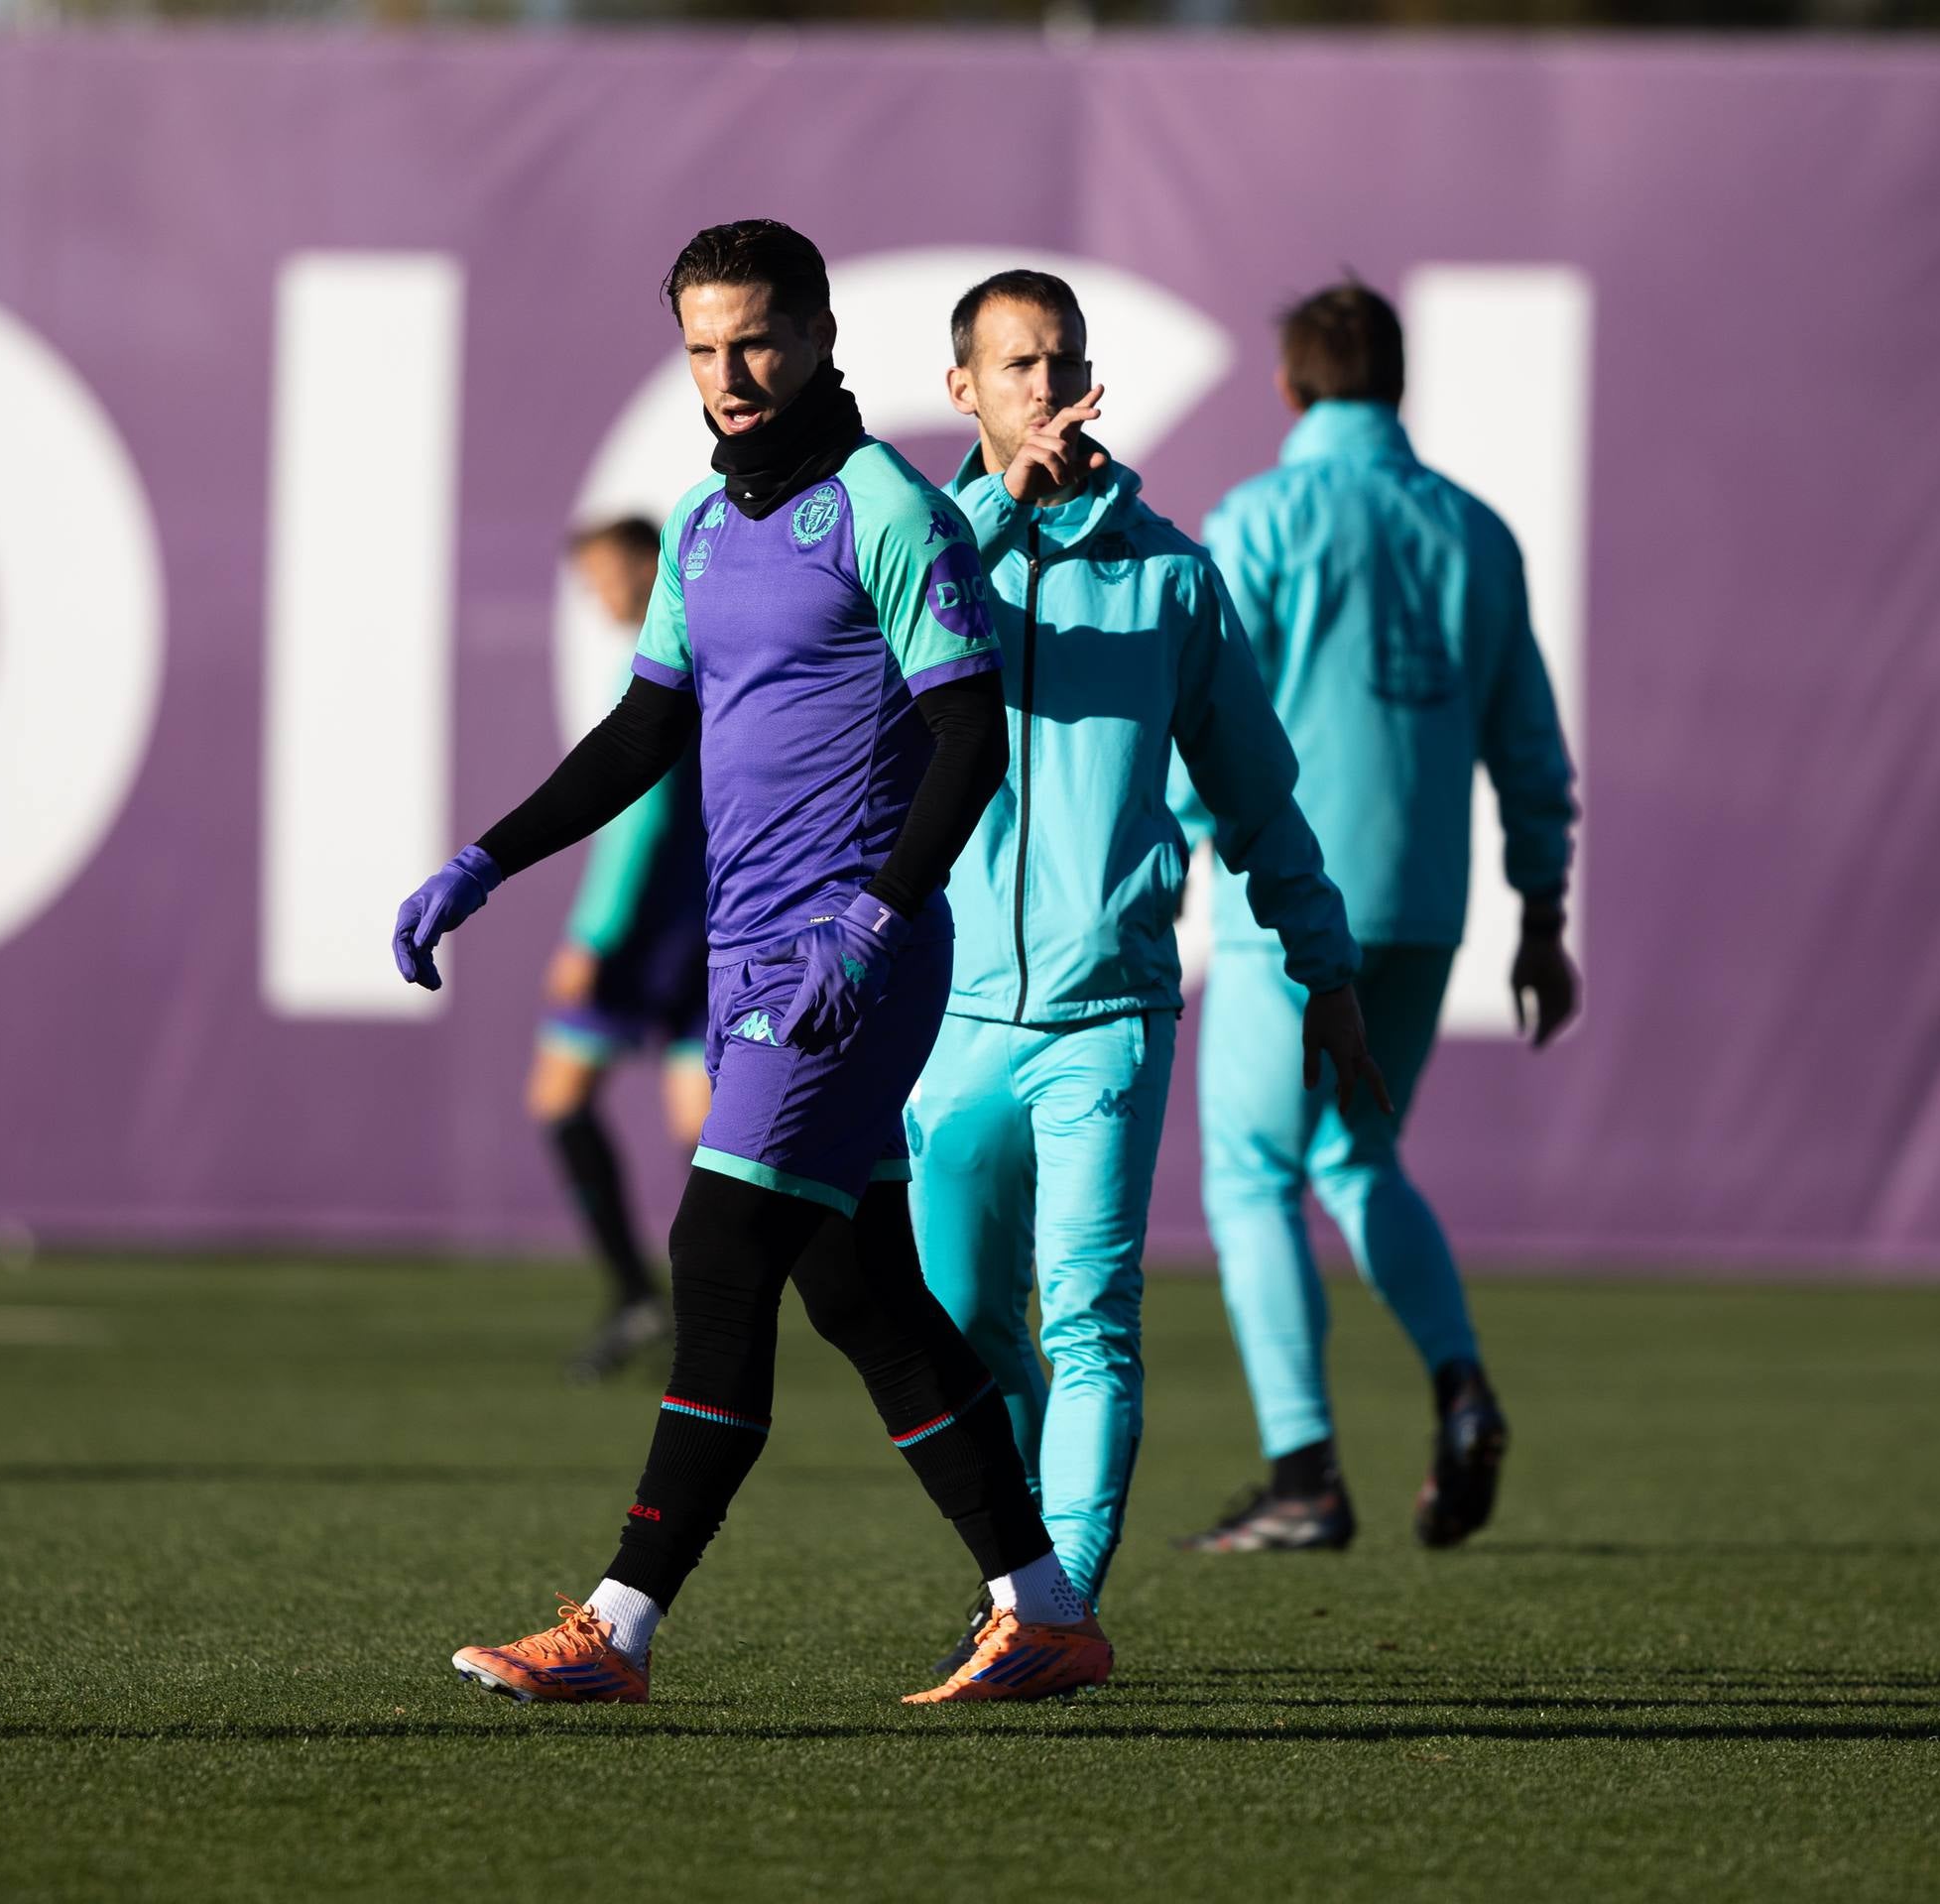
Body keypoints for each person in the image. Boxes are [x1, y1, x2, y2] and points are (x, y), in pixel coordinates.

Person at [401, 221, 1378, 1708]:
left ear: (817, 337)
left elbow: (970, 736)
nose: (729, 375)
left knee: (718, 1257)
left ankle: (620, 1625)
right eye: (702, 349)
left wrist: (873, 916)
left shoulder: (889, 510)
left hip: (851, 966)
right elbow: (643, 733)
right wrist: (485, 858)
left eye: (757, 342)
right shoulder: (701, 527)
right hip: (746, 968)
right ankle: (1042, 1606)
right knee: (866, 1294)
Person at [906, 273, 1381, 1668]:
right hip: (949, 1017)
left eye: (1058, 362)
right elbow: (871, 693)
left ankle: (1060, 1611)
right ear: (963, 392)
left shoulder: (1168, 572)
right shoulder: (927, 554)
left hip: (1106, 1011)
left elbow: (1255, 796)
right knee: (954, 1335)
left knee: (1089, 1320)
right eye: (1012, 367)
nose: (1040, 388)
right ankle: (1019, 1584)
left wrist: (1325, 965)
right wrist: (995, 511)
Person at [1177, 278, 1579, 1555]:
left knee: (1250, 1172)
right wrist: (1539, 912)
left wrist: (1169, 846)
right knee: (1355, 1157)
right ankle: (1459, 1383)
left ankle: (1303, 1476)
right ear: (1398, 385)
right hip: (1424, 902)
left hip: (1286, 901)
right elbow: (1527, 745)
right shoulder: (1476, 531)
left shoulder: (1260, 517)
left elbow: (1210, 711)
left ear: (1290, 389)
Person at [535, 519, 711, 1382]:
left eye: (606, 575)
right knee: (702, 1130)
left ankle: (640, 1296)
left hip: (645, 934)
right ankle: (708, 1309)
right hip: (709, 927)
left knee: (562, 1099)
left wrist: (592, 934)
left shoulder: (659, 663)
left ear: (650, 568)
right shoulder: (718, 656)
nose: (598, 595)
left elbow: (639, 816)